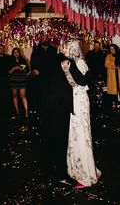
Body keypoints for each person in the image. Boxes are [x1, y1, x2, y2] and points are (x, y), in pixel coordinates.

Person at [39, 41, 89, 185]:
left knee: (47, 139)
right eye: (68, 47)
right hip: (60, 107)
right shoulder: (66, 61)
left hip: (47, 106)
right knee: (60, 142)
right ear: (65, 49)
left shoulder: (49, 59)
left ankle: (45, 173)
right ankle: (60, 175)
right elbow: (83, 80)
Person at [61, 40, 101, 188]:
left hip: (80, 101)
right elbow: (73, 83)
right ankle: (76, 170)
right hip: (74, 99)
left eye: (66, 49)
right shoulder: (72, 63)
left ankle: (86, 176)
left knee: (82, 134)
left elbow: (82, 82)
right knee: (75, 133)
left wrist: (67, 71)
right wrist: (66, 71)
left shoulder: (80, 63)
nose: (64, 51)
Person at [30, 34, 57, 111]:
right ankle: (41, 110)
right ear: (41, 40)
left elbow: (57, 62)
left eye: (46, 38)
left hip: (51, 76)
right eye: (43, 38)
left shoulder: (53, 50)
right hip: (40, 76)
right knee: (40, 94)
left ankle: (51, 110)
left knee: (51, 94)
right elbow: (32, 62)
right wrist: (33, 70)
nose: (45, 40)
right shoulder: (36, 50)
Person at [8, 48, 29, 119]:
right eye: (14, 52)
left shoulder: (23, 60)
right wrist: (14, 68)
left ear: (19, 53)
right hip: (13, 80)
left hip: (22, 79)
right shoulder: (10, 60)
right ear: (12, 53)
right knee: (14, 96)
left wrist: (21, 69)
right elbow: (9, 72)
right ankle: (17, 111)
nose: (16, 53)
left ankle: (26, 112)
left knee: (23, 96)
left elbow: (27, 71)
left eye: (17, 52)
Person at [85, 40, 107, 105]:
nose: (97, 47)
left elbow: (104, 64)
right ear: (94, 46)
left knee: (102, 90)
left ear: (100, 46)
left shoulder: (103, 53)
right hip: (93, 75)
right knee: (94, 90)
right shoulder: (90, 53)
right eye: (96, 45)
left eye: (98, 45)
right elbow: (87, 62)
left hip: (101, 74)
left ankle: (102, 103)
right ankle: (95, 104)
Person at [105, 44, 120, 110]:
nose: (112, 50)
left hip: (119, 74)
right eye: (111, 49)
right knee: (113, 90)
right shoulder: (108, 56)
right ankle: (114, 103)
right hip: (112, 75)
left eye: (113, 48)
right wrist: (114, 66)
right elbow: (106, 65)